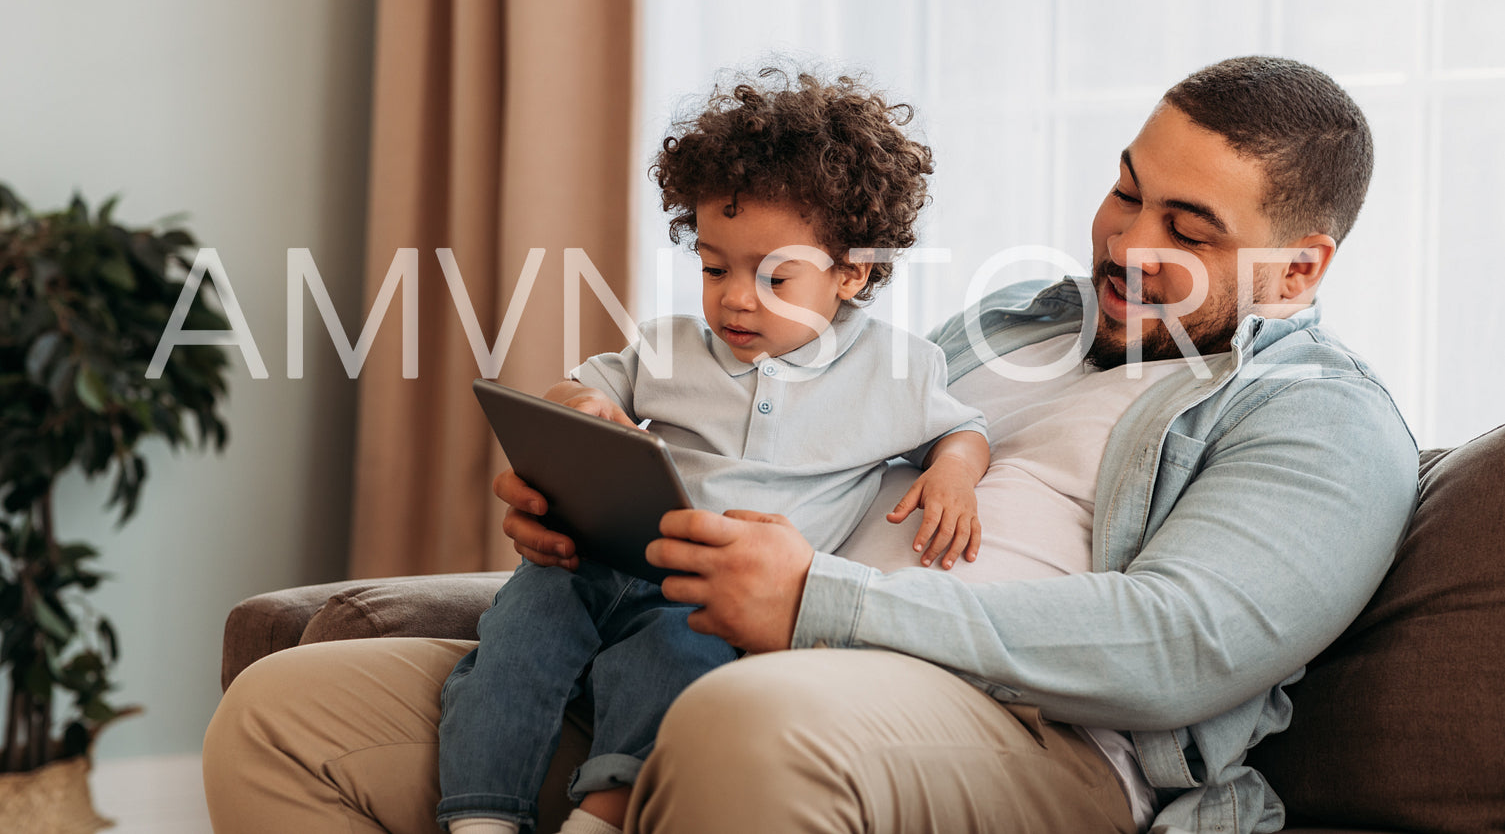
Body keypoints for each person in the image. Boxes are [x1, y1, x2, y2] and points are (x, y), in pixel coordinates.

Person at [202, 55, 1419, 834]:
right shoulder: (1000, 322)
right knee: (287, 712)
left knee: (755, 727)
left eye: (1184, 227)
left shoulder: (1315, 416)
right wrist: (588, 490)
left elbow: (1179, 645)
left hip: (1028, 737)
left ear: (1297, 265)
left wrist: (821, 608)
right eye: (1124, 187)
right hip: (704, 651)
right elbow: (774, 436)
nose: (1118, 238)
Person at [437, 69, 988, 834]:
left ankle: (603, 814)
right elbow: (575, 391)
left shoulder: (896, 369)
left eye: (773, 276)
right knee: (517, 627)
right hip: (601, 555)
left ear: (852, 272)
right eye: (713, 266)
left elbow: (961, 429)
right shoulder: (664, 349)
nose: (734, 296)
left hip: (704, 591)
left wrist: (954, 470)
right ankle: (481, 816)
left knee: (674, 661)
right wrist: (587, 408)